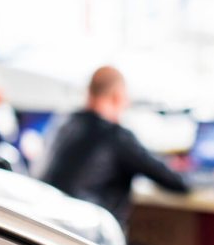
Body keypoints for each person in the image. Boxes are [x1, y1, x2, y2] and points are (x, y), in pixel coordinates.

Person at [39, 66, 191, 228]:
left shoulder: (64, 125)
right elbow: (176, 183)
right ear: (118, 97)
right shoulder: (116, 136)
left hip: (50, 234)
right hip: (91, 240)